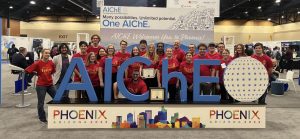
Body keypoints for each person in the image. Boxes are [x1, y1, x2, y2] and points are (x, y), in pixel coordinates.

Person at [25, 48, 56, 124]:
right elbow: (27, 70)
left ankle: (57, 115)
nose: (47, 54)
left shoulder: (51, 63)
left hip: (50, 84)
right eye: (46, 53)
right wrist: (37, 74)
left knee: (57, 98)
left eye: (48, 53)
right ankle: (42, 118)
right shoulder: (37, 63)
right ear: (42, 53)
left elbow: (52, 71)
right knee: (41, 103)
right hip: (41, 86)